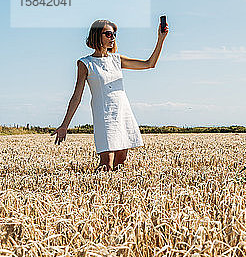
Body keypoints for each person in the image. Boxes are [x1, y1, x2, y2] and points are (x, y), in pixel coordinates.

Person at [51, 18, 169, 172]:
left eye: (114, 34)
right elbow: (76, 97)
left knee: (120, 163)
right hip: (104, 115)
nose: (112, 37)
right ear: (96, 36)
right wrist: (65, 125)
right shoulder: (85, 63)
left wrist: (161, 39)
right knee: (106, 163)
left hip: (122, 112)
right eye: (108, 34)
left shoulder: (117, 59)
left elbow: (149, 64)